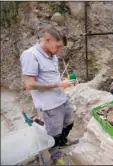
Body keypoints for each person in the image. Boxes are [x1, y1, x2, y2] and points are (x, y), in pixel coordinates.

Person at [20, 27, 76, 165]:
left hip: (61, 98)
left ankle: (62, 142)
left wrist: (64, 83)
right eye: (57, 46)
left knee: (69, 122)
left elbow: (51, 77)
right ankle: (56, 155)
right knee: (54, 132)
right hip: (49, 104)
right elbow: (29, 85)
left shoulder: (53, 55)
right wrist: (58, 84)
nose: (58, 50)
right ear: (47, 40)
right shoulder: (30, 55)